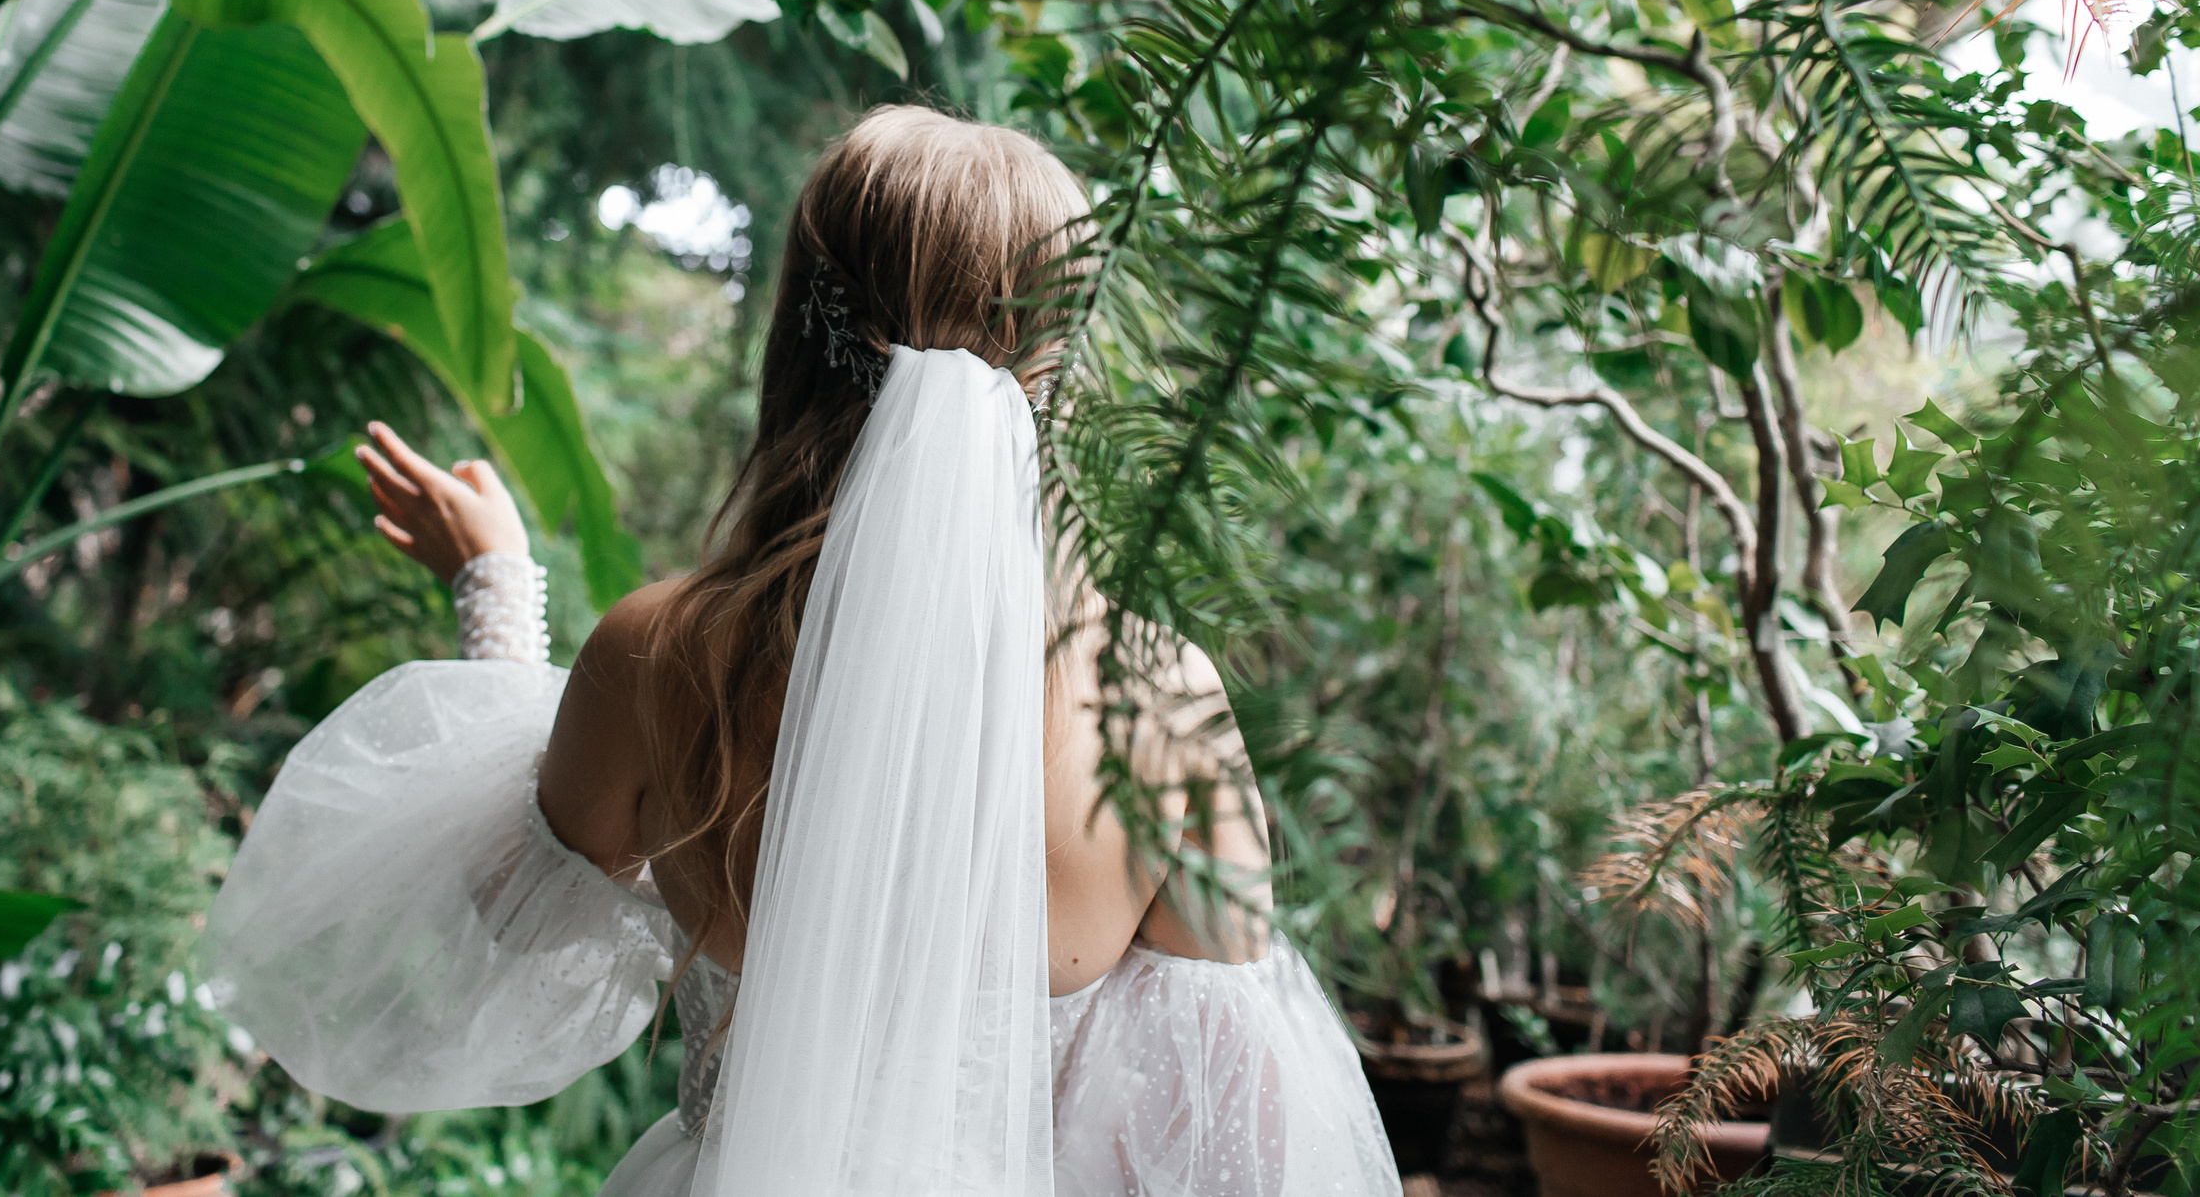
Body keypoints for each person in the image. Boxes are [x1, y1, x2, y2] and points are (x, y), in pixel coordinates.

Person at [203, 106, 1397, 1196]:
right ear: (1062, 372)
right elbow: (1233, 1135)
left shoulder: (659, 658)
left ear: (798, 343)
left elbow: (512, 915)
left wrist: (497, 588)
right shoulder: (1160, 697)